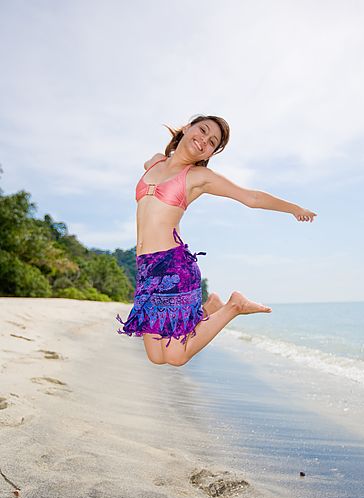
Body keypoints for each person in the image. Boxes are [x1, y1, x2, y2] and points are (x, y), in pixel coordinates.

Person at [117, 114, 316, 366]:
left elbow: (250, 197)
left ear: (210, 152)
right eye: (202, 130)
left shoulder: (198, 177)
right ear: (188, 128)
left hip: (173, 266)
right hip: (146, 269)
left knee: (176, 356)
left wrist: (293, 208)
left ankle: (234, 305)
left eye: (212, 142)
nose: (203, 141)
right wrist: (160, 157)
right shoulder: (156, 163)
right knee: (156, 357)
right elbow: (149, 162)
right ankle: (210, 308)